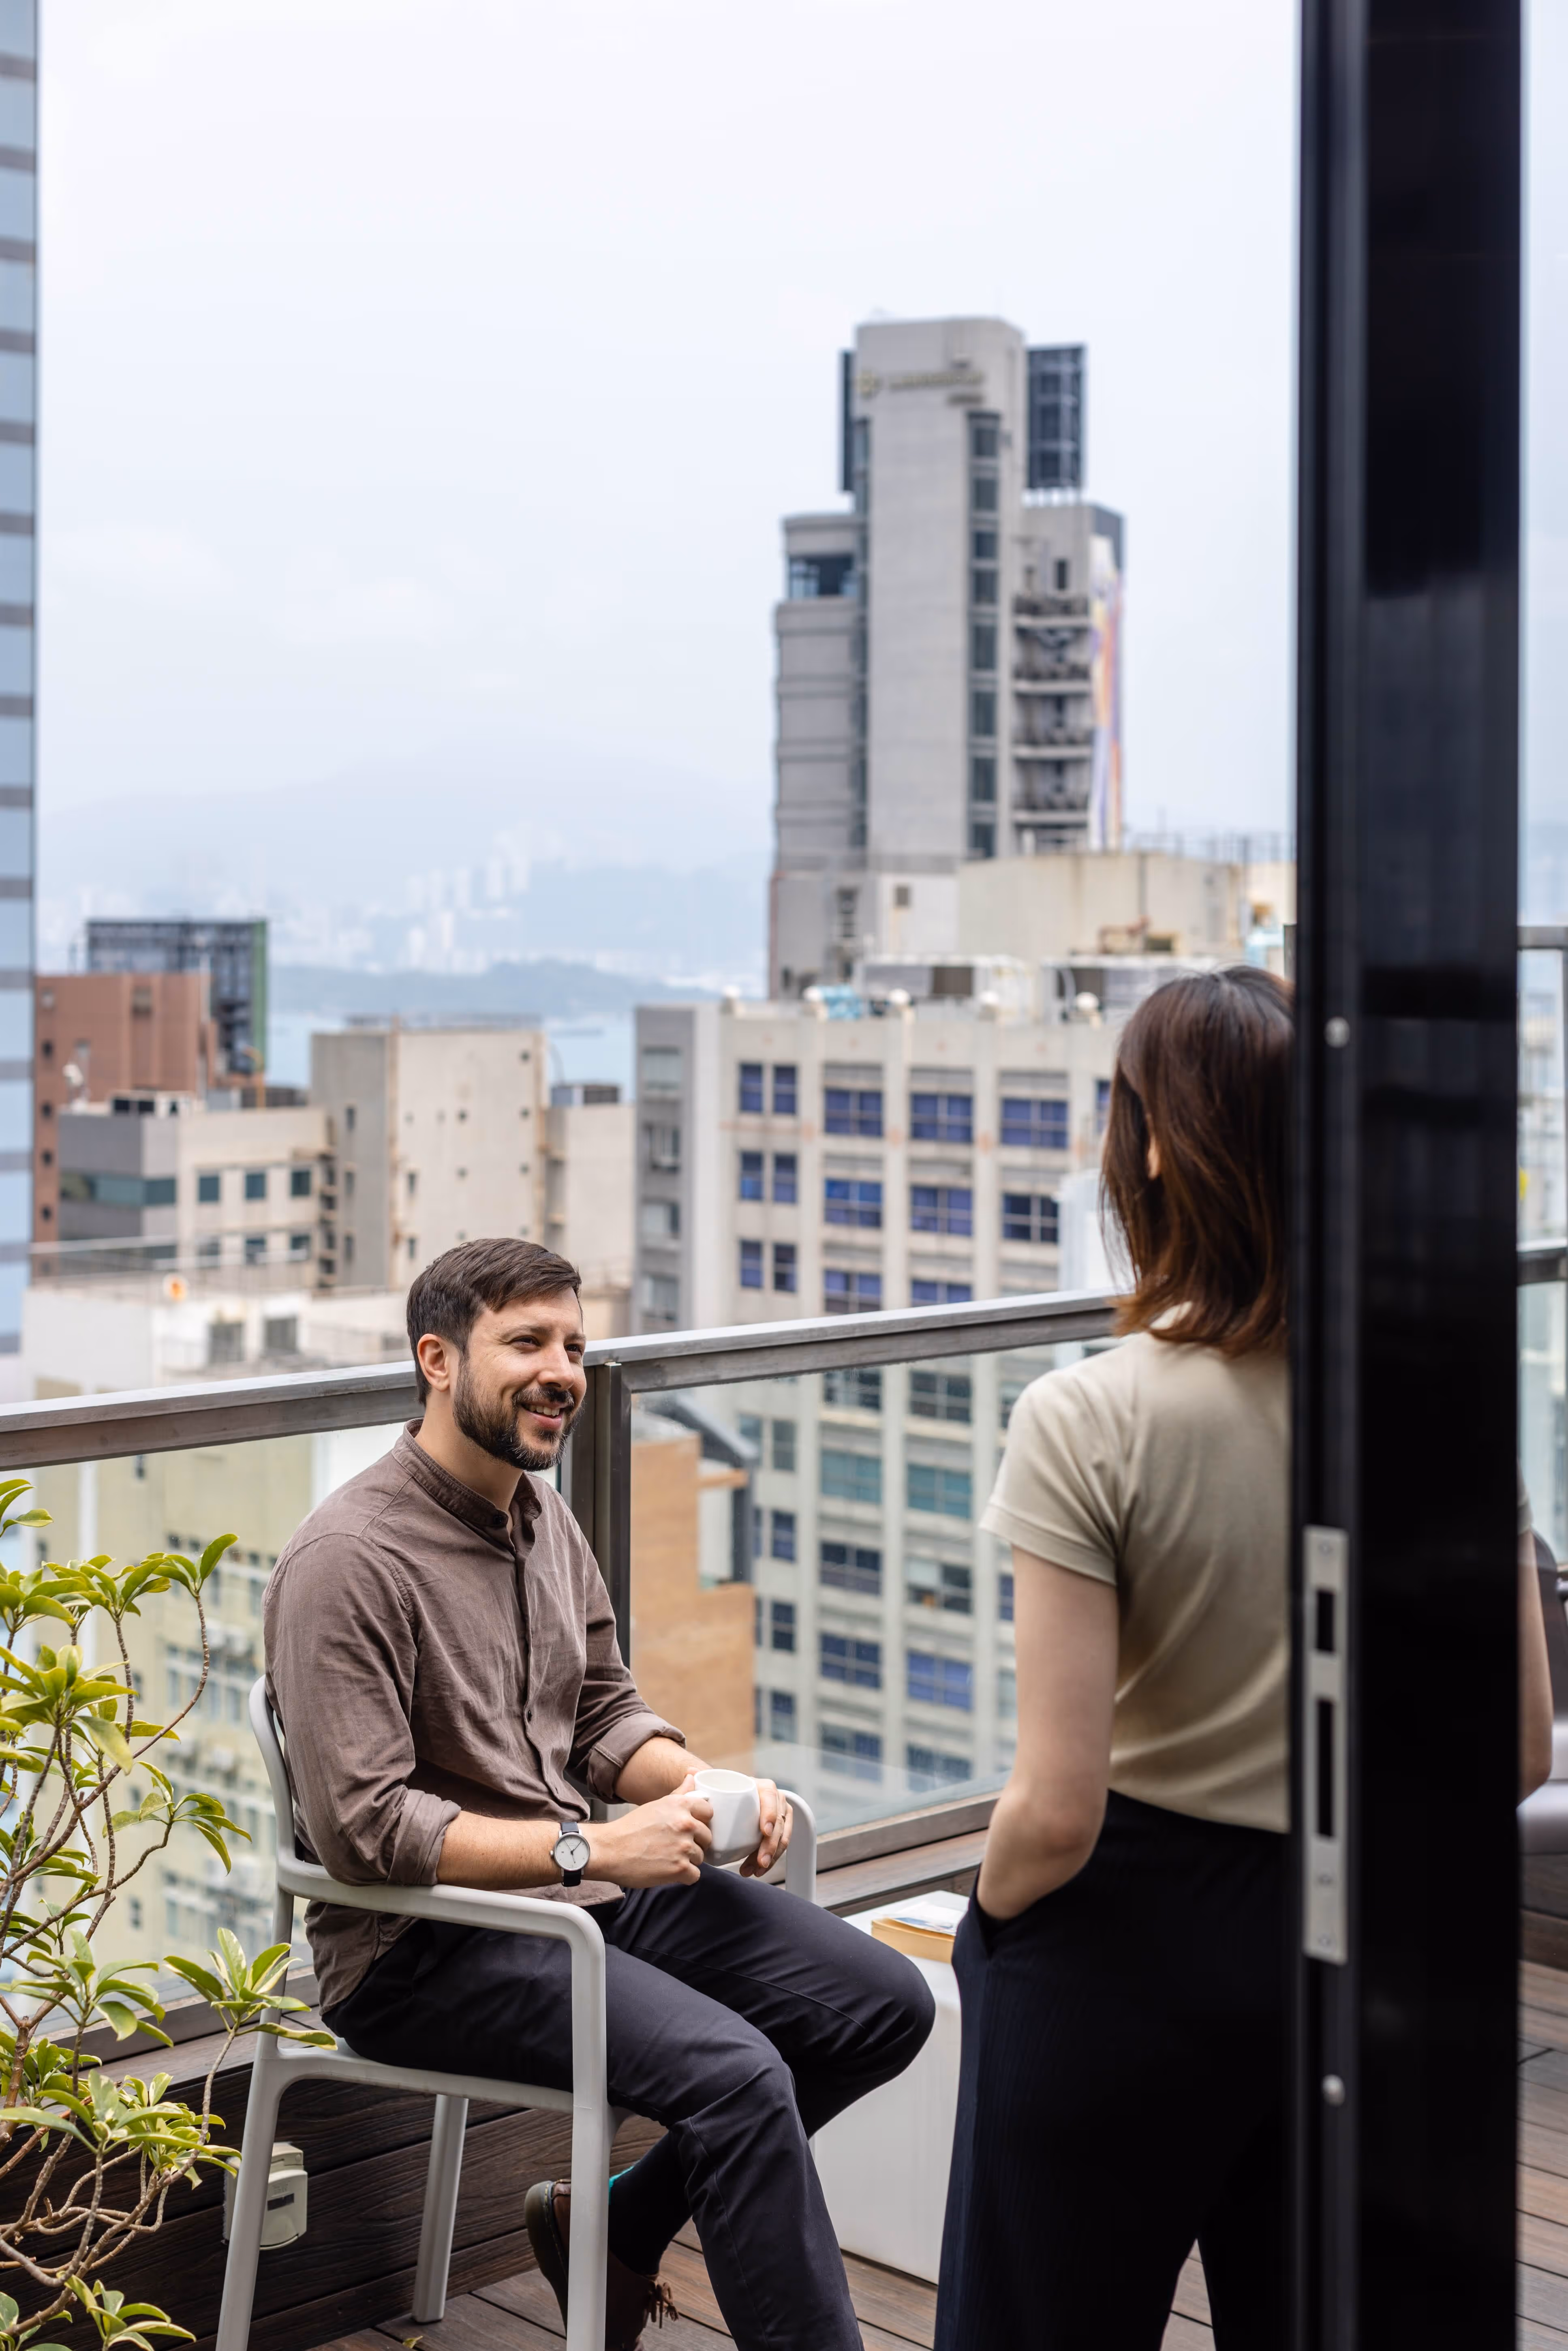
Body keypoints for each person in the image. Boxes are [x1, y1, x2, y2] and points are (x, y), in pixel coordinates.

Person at [933, 968, 1553, 2350]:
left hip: (1122, 1943)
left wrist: (993, 1922)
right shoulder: (1441, 1406)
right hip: (1357, 1930)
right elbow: (1515, 1748)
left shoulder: (1085, 1416)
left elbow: (1056, 1807)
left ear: (1155, 1146)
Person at [265, 1238, 933, 2351]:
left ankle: (618, 2223)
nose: (562, 1372)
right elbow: (363, 1831)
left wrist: (706, 1782)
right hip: (420, 1948)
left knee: (882, 2003)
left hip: (577, 1895)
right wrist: (597, 1851)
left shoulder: (540, 1515)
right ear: (438, 1360)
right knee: (738, 2078)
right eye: (526, 1342)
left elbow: (602, 1715)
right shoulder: (348, 1560)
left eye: (574, 1346)